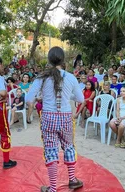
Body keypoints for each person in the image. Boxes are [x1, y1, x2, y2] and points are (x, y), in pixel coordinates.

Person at [26, 47, 84, 192]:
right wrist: (66, 96)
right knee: (69, 147)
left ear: (49, 60)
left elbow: (28, 99)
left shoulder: (42, 77)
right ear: (63, 60)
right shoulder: (70, 77)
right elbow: (80, 99)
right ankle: (72, 180)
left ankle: (53, 188)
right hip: (65, 117)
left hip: (48, 117)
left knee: (51, 150)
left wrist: (43, 97)